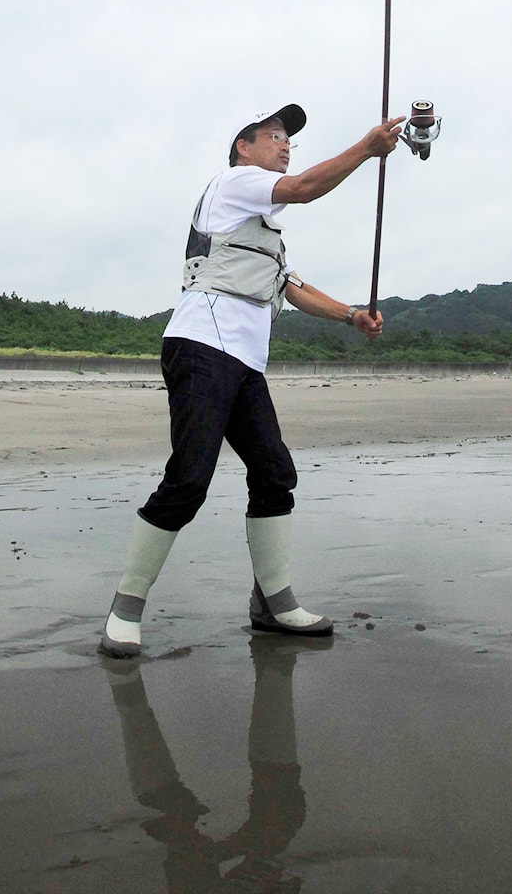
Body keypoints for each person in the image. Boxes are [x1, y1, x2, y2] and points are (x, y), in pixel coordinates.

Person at [100, 103, 404, 658]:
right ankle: (125, 608)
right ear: (243, 147)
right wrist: (366, 148)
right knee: (190, 479)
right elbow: (308, 187)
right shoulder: (236, 182)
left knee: (274, 474)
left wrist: (351, 315)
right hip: (200, 346)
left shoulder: (264, 230)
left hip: (243, 361)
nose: (285, 145)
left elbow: (292, 285)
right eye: (273, 136)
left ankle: (273, 602)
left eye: (289, 140)